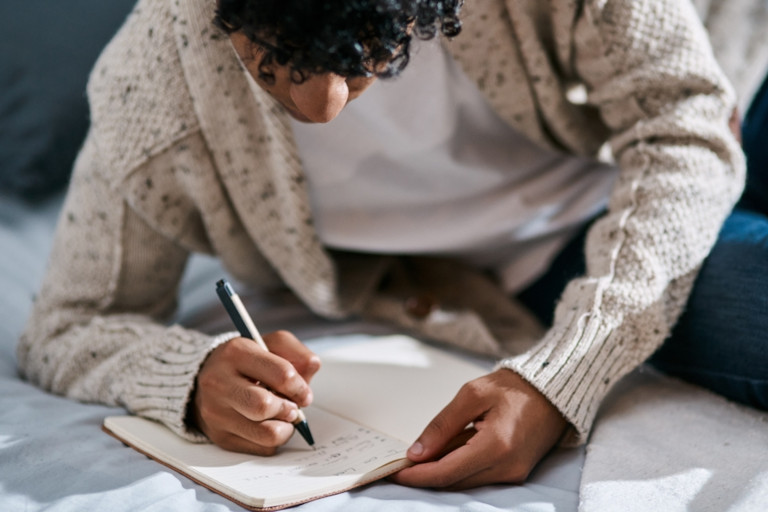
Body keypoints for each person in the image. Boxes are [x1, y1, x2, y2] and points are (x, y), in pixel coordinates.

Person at [17, 0, 766, 490]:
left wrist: (562, 375)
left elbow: (684, 124)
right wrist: (187, 376)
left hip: (716, 97)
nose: (321, 104)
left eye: (367, 56)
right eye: (270, 61)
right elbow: (66, 326)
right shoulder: (151, 86)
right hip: (560, 242)